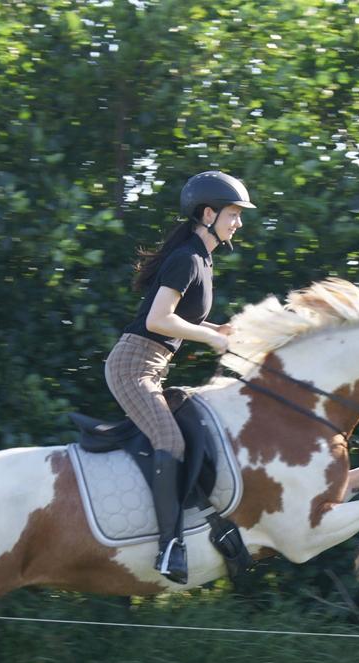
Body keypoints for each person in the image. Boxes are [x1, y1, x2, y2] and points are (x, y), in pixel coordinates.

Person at [105, 171, 255, 584]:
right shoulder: (188, 258)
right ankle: (169, 546)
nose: (238, 222)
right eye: (233, 214)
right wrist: (208, 335)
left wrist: (220, 330)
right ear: (208, 214)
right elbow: (158, 319)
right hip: (132, 366)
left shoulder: (202, 260)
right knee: (170, 441)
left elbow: (181, 319)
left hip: (151, 367)